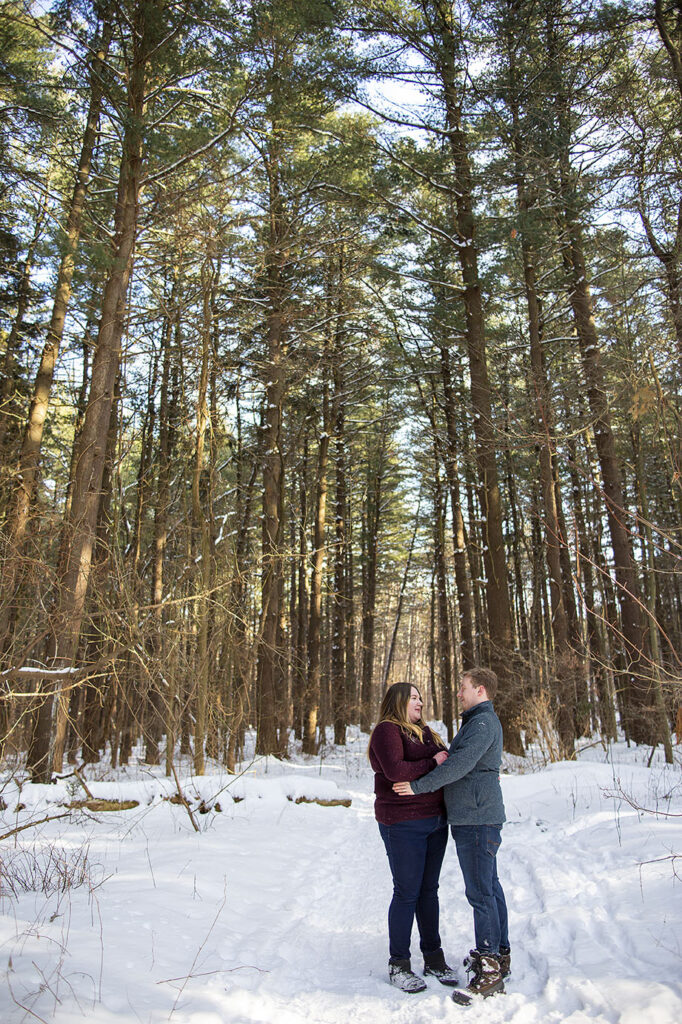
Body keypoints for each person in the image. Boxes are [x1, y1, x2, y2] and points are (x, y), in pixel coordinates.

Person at [393, 667, 510, 1005]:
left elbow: (459, 766)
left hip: (476, 818)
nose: (459, 693)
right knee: (490, 886)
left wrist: (417, 787)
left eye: (463, 688)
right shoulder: (477, 722)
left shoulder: (483, 723)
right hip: (475, 815)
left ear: (481, 690)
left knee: (481, 892)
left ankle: (489, 968)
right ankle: (498, 955)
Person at [368, 681, 459, 993]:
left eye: (421, 697)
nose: (420, 702)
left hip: (435, 820)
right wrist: (432, 762)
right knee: (407, 892)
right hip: (402, 822)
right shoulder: (387, 730)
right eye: (414, 698)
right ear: (398, 701)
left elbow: (447, 758)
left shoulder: (427, 731)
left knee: (428, 891)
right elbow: (395, 770)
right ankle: (399, 964)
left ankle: (433, 958)